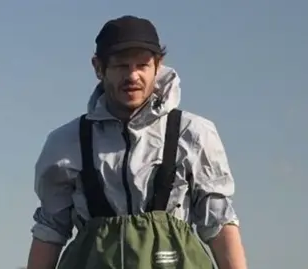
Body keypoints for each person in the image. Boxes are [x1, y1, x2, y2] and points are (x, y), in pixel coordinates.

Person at [26, 15, 247, 269]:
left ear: (158, 65)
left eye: (142, 65)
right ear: (98, 67)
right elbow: (50, 228)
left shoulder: (194, 133)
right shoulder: (65, 142)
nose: (133, 76)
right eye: (121, 66)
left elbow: (218, 221)